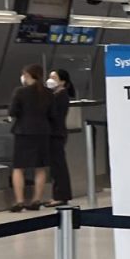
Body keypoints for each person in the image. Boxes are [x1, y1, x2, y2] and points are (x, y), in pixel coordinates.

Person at [7, 64, 50, 212]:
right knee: (40, 167)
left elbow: (12, 111)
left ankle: (19, 201)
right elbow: (52, 114)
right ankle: (36, 199)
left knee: (19, 167)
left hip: (23, 133)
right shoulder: (48, 93)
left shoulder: (20, 92)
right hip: (43, 133)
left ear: (27, 75)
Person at [45, 68, 74, 207]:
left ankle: (62, 196)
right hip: (54, 133)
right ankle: (57, 194)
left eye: (54, 77)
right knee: (55, 166)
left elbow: (54, 115)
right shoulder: (54, 94)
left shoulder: (61, 96)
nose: (50, 80)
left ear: (62, 81)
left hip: (56, 134)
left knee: (59, 166)